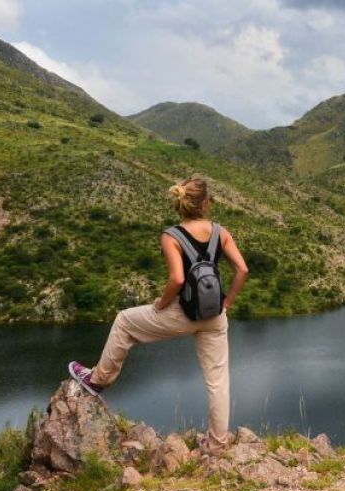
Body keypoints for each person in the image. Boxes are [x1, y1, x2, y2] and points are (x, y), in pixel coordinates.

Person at [67, 176, 249, 452]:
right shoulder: (219, 232)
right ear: (206, 203)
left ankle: (97, 380)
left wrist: (160, 305)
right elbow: (243, 270)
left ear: (180, 203)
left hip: (183, 314)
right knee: (218, 380)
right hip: (214, 315)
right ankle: (217, 443)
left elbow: (177, 279)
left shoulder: (171, 236)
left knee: (124, 320)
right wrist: (228, 303)